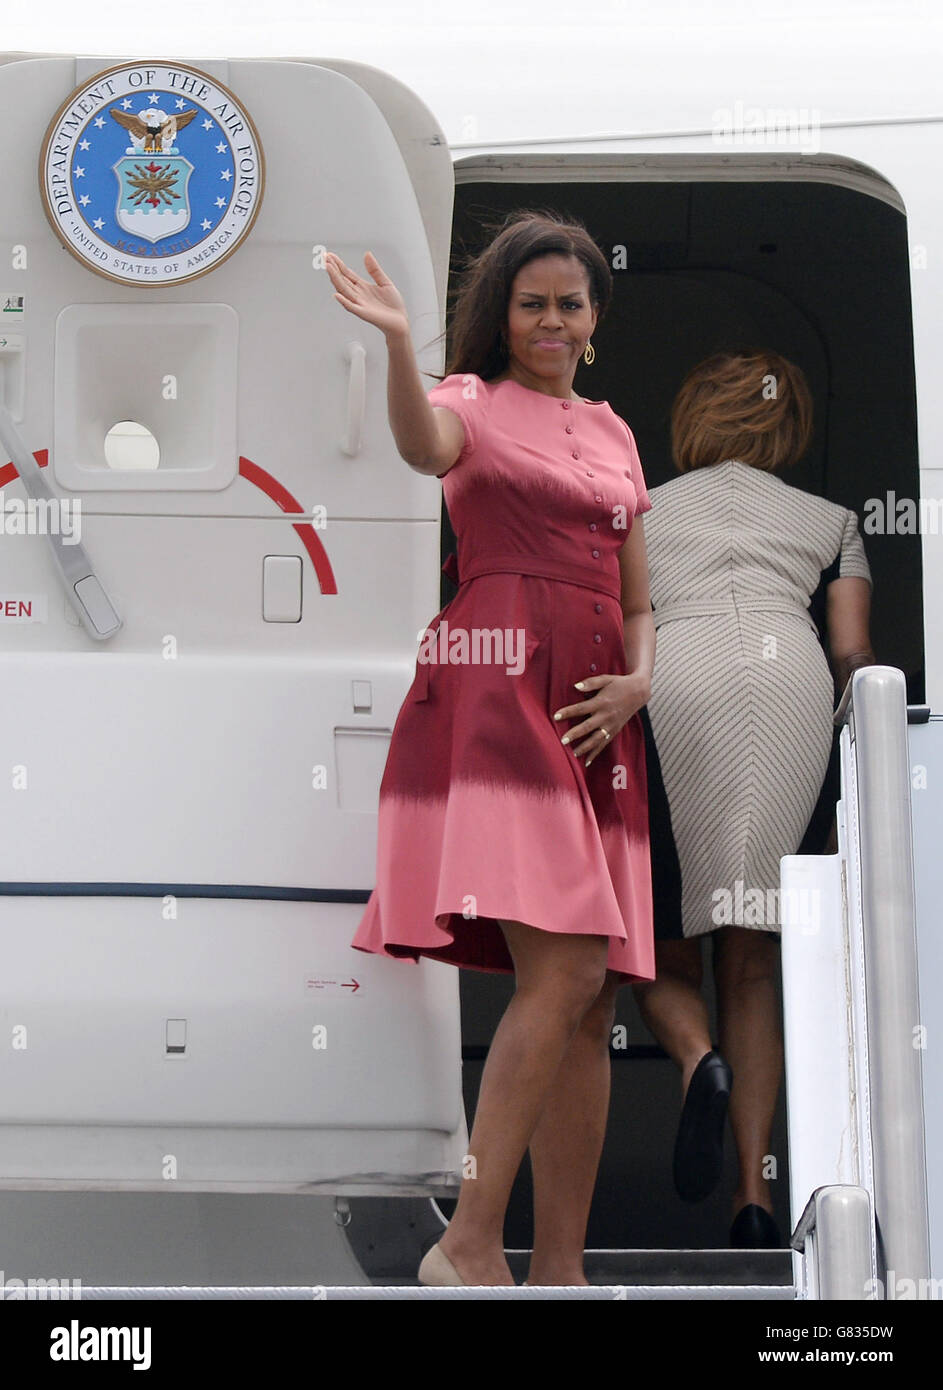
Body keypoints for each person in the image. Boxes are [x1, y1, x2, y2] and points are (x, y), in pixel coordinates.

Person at [325, 211, 656, 1287]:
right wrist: (391, 342)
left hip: (598, 710)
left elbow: (640, 595)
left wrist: (642, 678)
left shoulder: (614, 431)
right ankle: (468, 1241)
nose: (551, 320)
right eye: (532, 304)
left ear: (594, 318)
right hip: (500, 691)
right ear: (502, 319)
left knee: (592, 987)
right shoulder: (468, 401)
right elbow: (422, 444)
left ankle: (557, 1266)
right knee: (559, 966)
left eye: (569, 303)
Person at [632, 349, 875, 1248]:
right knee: (754, 952)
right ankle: (753, 1193)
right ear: (787, 427)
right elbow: (854, 660)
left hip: (673, 688)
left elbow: (616, 622)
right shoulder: (830, 519)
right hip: (789, 693)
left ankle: (699, 1063)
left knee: (659, 953)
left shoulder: (641, 509)